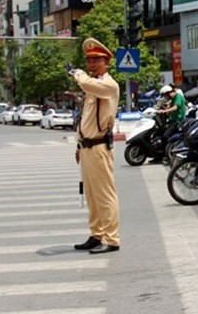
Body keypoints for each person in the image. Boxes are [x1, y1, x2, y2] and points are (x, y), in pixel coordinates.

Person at [68, 37, 120, 254]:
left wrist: (77, 73)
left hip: (100, 147)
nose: (91, 65)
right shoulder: (92, 88)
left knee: (105, 195)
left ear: (106, 62)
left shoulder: (108, 85)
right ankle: (97, 234)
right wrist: (79, 146)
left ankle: (111, 238)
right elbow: (86, 120)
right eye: (89, 61)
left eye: (96, 60)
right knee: (91, 194)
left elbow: (88, 83)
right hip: (87, 147)